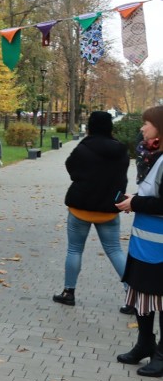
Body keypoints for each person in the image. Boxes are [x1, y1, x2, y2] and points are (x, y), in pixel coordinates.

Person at [52, 111, 128, 309]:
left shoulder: (83, 148)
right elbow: (122, 177)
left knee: (75, 249)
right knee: (115, 250)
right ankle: (133, 295)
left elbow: (70, 167)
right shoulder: (121, 150)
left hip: (80, 207)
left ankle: (69, 292)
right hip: (108, 209)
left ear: (90, 127)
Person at [115, 106, 163, 377]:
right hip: (145, 246)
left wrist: (136, 202)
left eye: (147, 123)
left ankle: (162, 354)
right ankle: (145, 344)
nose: (142, 128)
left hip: (159, 249)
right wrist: (134, 199)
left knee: (161, 300)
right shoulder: (154, 157)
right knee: (142, 295)